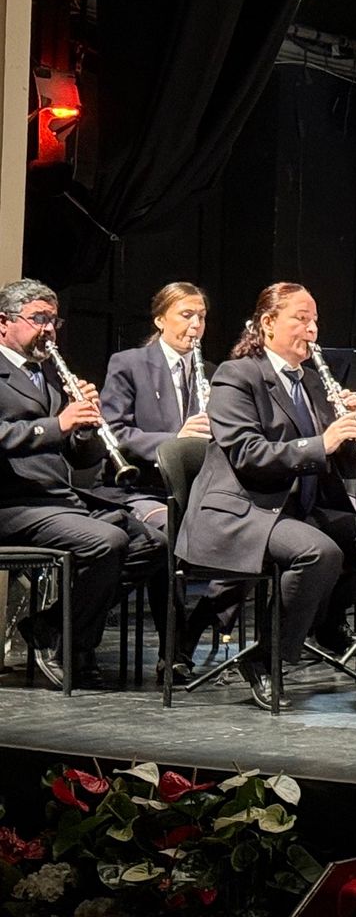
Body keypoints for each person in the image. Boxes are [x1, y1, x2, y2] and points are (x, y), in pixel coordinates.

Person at [176, 283, 356, 711]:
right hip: (243, 509)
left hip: (298, 510)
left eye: (315, 320)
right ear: (268, 323)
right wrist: (322, 442)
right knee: (318, 552)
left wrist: (351, 431)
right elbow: (247, 453)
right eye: (301, 319)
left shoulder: (312, 382)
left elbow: (340, 465)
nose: (312, 329)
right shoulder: (236, 375)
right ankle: (266, 659)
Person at [0, 278, 164, 689]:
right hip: (13, 500)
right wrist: (58, 424)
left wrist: (87, 427)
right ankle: (70, 643)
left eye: (53, 320)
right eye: (38, 319)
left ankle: (53, 626)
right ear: (4, 322)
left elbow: (80, 458)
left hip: (57, 499)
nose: (49, 330)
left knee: (155, 543)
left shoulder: (48, 374)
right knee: (105, 542)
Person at [98, 281, 230, 677]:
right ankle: (173, 650)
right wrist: (175, 440)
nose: (195, 325)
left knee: (252, 535)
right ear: (160, 319)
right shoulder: (129, 364)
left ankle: (192, 631)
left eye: (201, 317)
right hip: (141, 489)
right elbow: (115, 431)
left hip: (197, 491)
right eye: (186, 315)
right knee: (172, 533)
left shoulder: (211, 373)